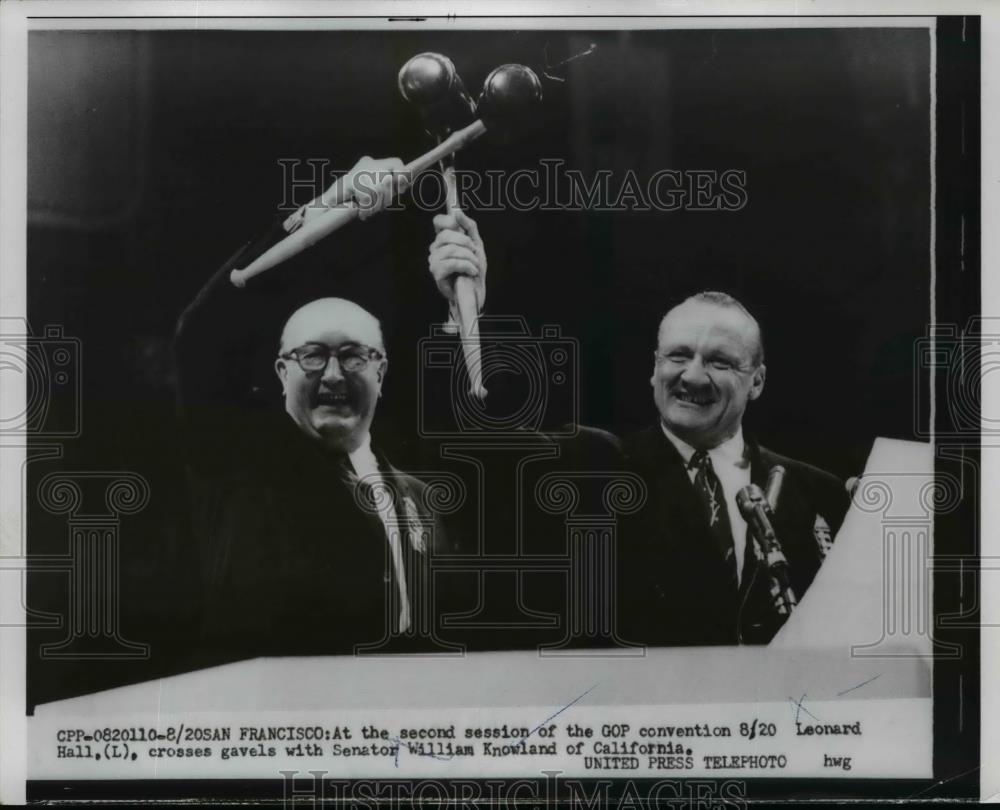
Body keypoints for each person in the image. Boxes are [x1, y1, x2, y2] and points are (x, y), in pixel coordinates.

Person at [174, 156, 485, 661]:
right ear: (281, 374)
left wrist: (463, 312)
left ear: (381, 372)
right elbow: (203, 337)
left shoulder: (424, 497)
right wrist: (329, 202)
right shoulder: (241, 472)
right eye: (312, 356)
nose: (334, 375)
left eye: (354, 355)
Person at [618, 292, 850, 645]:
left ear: (756, 382)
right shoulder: (605, 475)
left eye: (719, 362)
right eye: (678, 355)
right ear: (654, 368)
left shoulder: (819, 493)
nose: (693, 376)